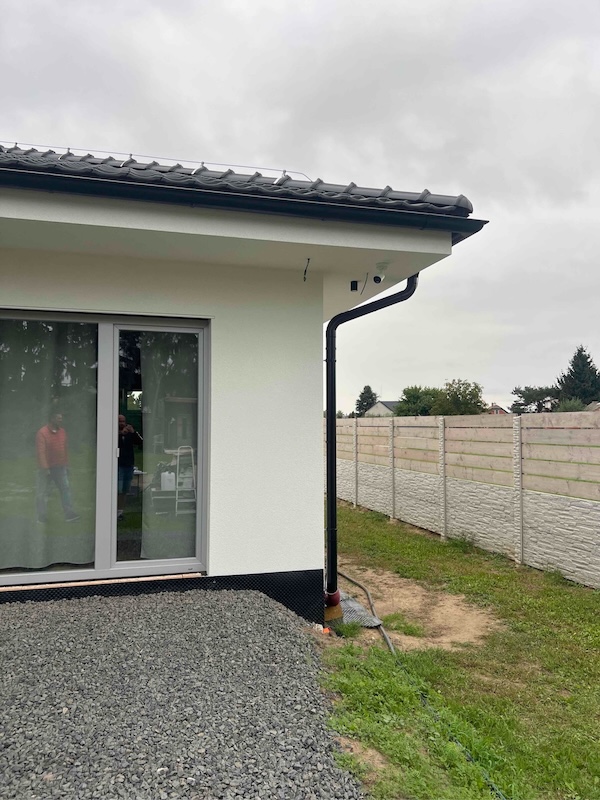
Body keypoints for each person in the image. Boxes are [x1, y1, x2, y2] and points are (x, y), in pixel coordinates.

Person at [36, 411, 80, 523]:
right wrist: (45, 468)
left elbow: (64, 449)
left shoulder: (62, 432)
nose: (61, 420)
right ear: (52, 419)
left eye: (61, 418)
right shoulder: (42, 433)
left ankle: (69, 514)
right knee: (43, 492)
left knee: (65, 490)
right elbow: (41, 452)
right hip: (47, 469)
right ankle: (41, 516)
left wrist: (66, 464)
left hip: (60, 467)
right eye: (58, 418)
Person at [117, 414, 143, 521]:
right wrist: (120, 434)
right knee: (117, 489)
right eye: (120, 421)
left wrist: (133, 432)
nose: (122, 423)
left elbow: (141, 442)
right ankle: (112, 511)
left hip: (128, 465)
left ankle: (120, 512)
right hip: (118, 465)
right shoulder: (112, 432)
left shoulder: (129, 433)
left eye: (123, 421)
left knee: (124, 490)